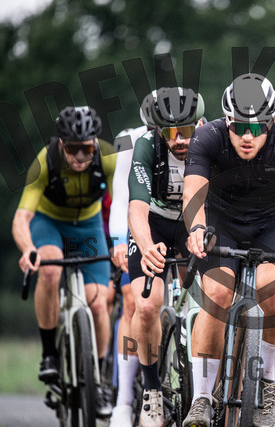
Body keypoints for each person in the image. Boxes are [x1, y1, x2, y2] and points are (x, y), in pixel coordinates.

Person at [181, 73, 275, 427]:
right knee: (217, 293)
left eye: (257, 128)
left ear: (271, 123)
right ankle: (201, 397)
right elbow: (193, 192)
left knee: (273, 292)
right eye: (239, 126)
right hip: (221, 223)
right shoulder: (208, 137)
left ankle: (268, 384)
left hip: (270, 223)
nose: (247, 136)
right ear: (226, 120)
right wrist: (197, 228)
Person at [12, 105, 117, 419]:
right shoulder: (45, 161)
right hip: (50, 224)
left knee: (99, 303)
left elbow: (124, 206)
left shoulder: (108, 157)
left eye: (88, 149)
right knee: (49, 269)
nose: (81, 157)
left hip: (89, 227)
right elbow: (21, 218)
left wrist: (123, 243)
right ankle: (50, 354)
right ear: (61, 144)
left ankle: (98, 380)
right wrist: (28, 249)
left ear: (95, 144)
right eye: (73, 149)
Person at [127, 87, 205, 427]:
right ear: (158, 129)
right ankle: (152, 390)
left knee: (213, 300)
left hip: (194, 223)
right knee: (147, 306)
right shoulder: (146, 145)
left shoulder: (211, 140)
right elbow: (137, 207)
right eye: (170, 132)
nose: (179, 140)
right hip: (155, 225)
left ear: (199, 124)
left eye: (185, 130)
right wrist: (146, 246)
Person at [108, 97, 156, 427]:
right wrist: (118, 241)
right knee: (130, 301)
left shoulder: (189, 138)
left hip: (174, 224)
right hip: (136, 223)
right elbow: (120, 195)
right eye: (154, 128)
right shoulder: (128, 140)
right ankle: (124, 401)